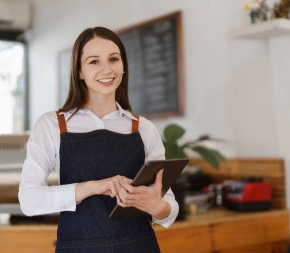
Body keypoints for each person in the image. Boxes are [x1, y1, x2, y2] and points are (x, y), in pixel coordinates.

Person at [18, 26, 179, 253]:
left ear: (123, 66)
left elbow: (168, 207)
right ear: (79, 71)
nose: (107, 69)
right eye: (94, 61)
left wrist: (157, 207)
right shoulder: (52, 125)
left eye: (114, 59)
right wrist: (93, 187)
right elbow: (29, 199)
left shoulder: (143, 128)